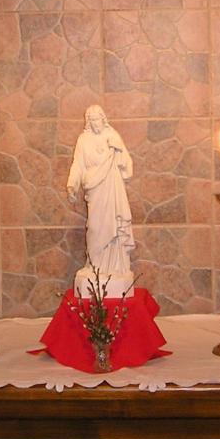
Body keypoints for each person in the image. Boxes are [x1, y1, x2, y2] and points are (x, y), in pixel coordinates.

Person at [66, 105, 135, 296]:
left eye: (98, 119)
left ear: (103, 119)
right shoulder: (83, 140)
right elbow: (78, 165)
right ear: (88, 122)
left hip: (112, 188)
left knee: (113, 226)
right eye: (92, 120)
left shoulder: (112, 136)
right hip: (94, 189)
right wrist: (72, 184)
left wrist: (118, 149)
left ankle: (114, 267)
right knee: (95, 228)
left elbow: (126, 165)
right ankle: (95, 266)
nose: (95, 123)